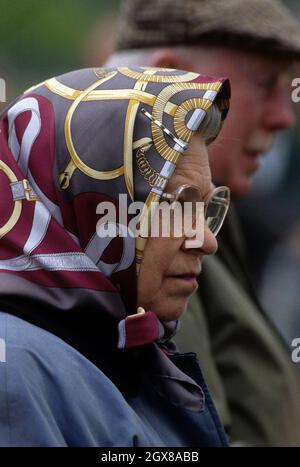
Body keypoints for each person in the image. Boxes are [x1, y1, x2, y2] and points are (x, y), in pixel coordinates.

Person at [0, 66, 231, 446]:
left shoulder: (118, 348)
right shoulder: (15, 372)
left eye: (205, 209)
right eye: (176, 206)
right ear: (90, 202)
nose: (206, 240)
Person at [105, 0, 300, 446]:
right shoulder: (125, 236)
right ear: (168, 80)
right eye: (265, 83)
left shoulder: (202, 216)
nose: (284, 116)